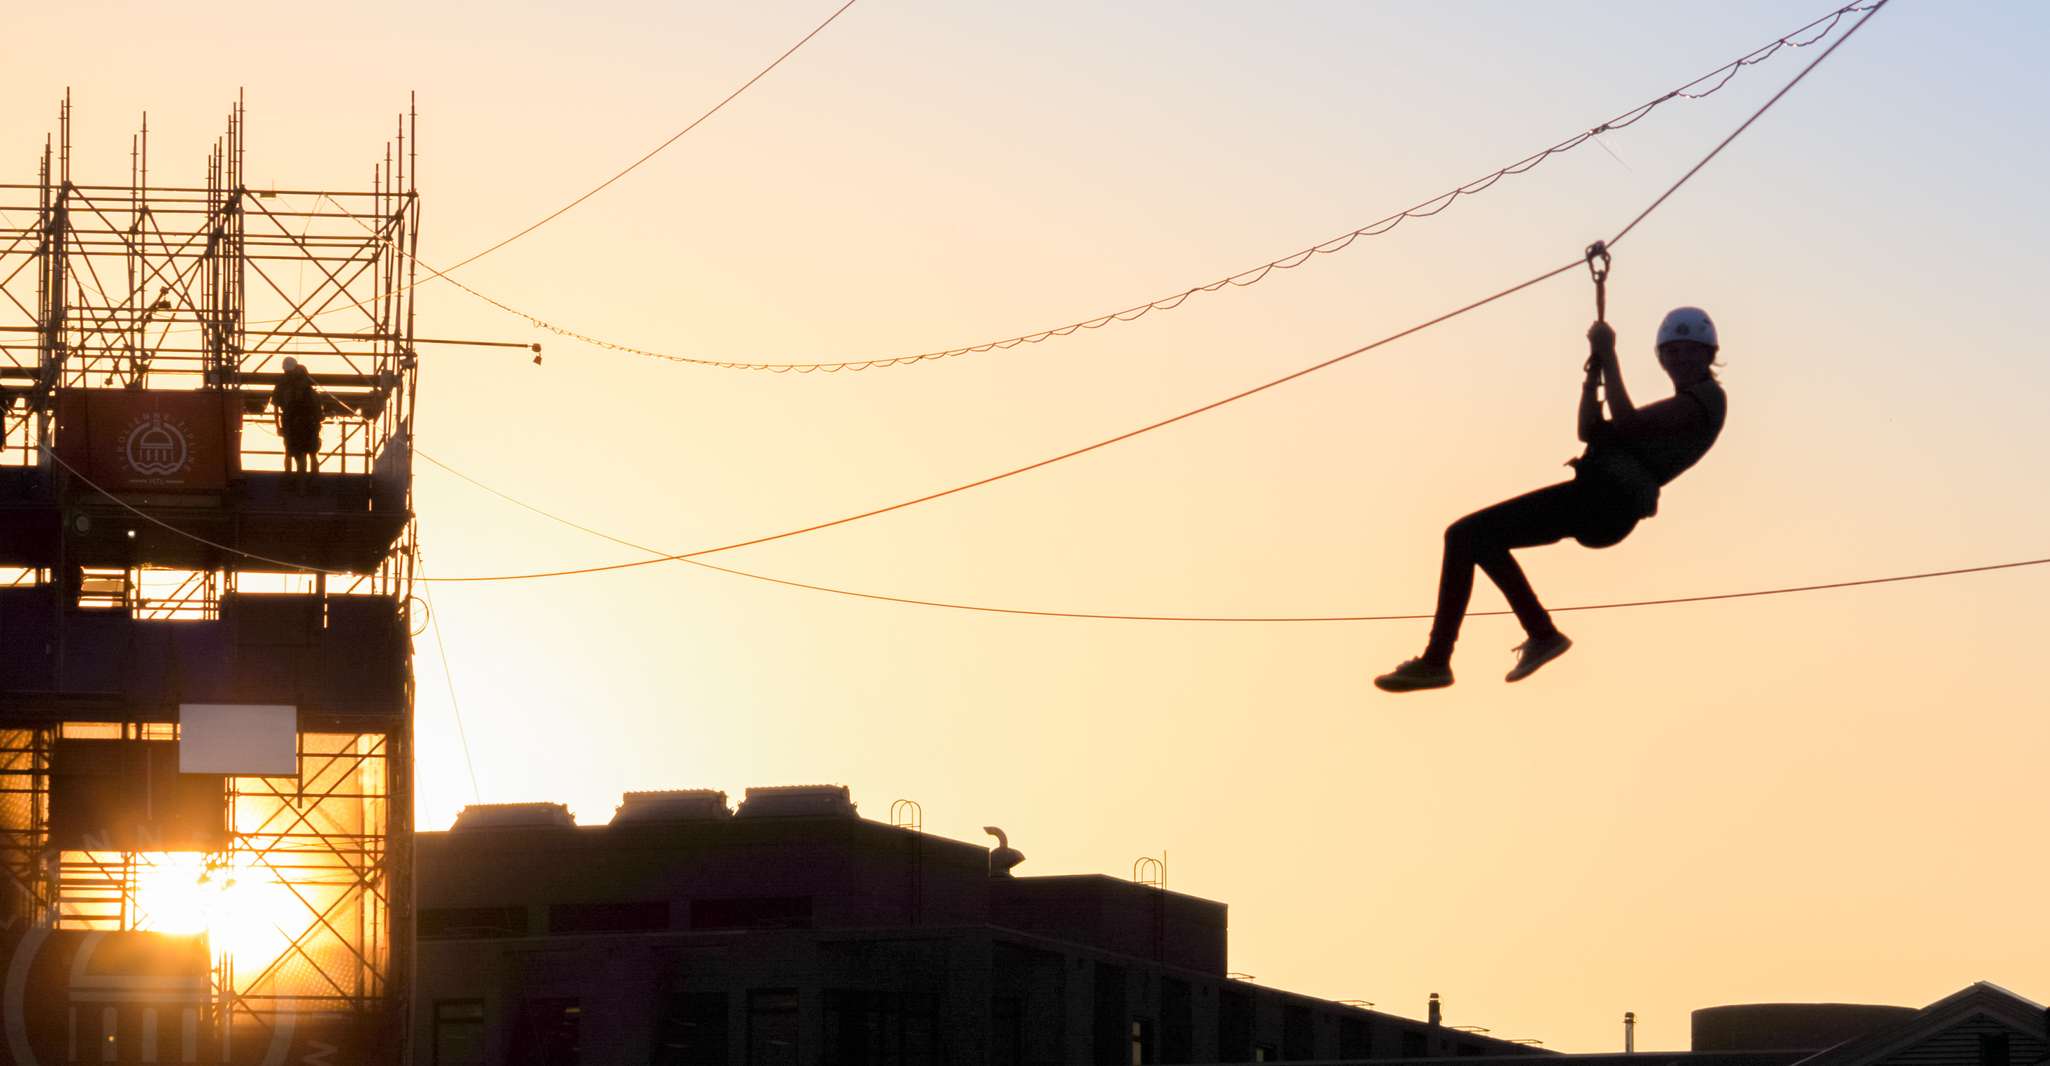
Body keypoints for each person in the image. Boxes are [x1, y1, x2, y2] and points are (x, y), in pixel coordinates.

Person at [1374, 307, 1727, 693]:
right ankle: (1530, 636)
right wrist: (1593, 375)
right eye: (1672, 352)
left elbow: (1625, 422)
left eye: (1689, 351)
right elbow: (1589, 429)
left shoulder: (1706, 400)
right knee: (1473, 538)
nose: (1679, 359)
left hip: (1604, 501)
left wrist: (1608, 353)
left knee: (1465, 535)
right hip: (1598, 499)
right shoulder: (1677, 410)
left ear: (1708, 355)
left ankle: (1446, 658)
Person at [272, 356, 324, 489]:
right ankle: (312, 482)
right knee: (310, 454)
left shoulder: (285, 385)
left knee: (295, 454)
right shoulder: (308, 387)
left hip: (294, 425)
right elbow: (319, 411)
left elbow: (277, 406)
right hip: (308, 425)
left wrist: (279, 426)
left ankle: (297, 483)